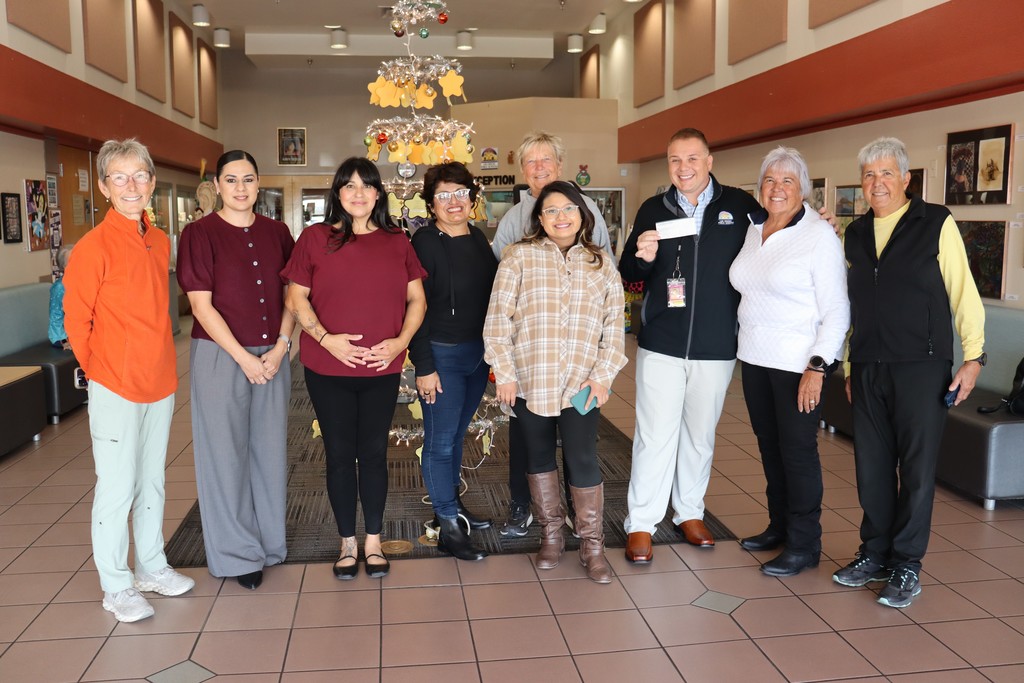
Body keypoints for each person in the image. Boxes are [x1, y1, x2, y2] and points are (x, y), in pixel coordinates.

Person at [833, 137, 985, 608]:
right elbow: (847, 304)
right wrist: (846, 362)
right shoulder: (854, 233)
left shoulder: (935, 222)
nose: (876, 183)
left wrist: (974, 357)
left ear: (905, 179)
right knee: (871, 467)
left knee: (916, 471)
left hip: (922, 367)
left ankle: (906, 565)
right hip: (868, 366)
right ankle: (874, 553)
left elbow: (963, 292)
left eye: (885, 174)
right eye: (869, 175)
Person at [63, 138, 195, 623]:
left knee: (153, 482)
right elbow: (77, 321)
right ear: (103, 186)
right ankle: (116, 586)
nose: (132, 185)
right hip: (115, 385)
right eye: (120, 177)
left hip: (159, 379)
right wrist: (101, 371)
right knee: (117, 487)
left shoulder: (158, 240)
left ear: (152, 182)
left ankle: (151, 567)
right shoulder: (92, 248)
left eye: (140, 175)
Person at [618, 128, 761, 563]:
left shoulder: (739, 206)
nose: (684, 168)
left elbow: (780, 233)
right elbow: (627, 270)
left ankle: (689, 512)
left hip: (717, 344)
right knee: (654, 435)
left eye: (692, 159)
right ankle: (642, 522)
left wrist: (819, 221)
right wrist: (641, 255)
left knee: (699, 435)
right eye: (675, 160)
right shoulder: (652, 208)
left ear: (710, 160)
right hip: (662, 341)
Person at [283, 157, 426, 580]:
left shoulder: (398, 241)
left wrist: (400, 343)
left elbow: (417, 300)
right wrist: (327, 340)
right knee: (340, 456)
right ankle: (347, 543)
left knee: (376, 455)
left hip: (381, 369)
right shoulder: (314, 238)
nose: (358, 193)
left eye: (366, 186)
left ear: (378, 194)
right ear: (338, 194)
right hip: (328, 369)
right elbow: (296, 298)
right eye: (349, 186)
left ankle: (374, 542)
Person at [484, 180, 627, 583]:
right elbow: (497, 323)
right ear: (539, 219)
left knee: (583, 459)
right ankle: (551, 535)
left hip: (582, 385)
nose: (560, 217)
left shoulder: (599, 264)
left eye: (568, 209)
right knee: (539, 458)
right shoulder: (518, 258)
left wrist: (603, 377)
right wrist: (505, 375)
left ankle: (591, 544)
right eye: (551, 211)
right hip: (531, 380)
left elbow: (614, 327)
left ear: (582, 214)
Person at [176, 150, 295, 590]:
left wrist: (282, 347)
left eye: (248, 179)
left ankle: (268, 543)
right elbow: (200, 306)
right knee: (224, 454)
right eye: (231, 180)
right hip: (221, 356)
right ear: (218, 186)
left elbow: (293, 298)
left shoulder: (278, 232)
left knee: (269, 449)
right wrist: (243, 358)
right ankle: (236, 554)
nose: (240, 188)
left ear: (258, 183)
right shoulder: (199, 233)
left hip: (273, 355)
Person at [728, 146, 849, 576]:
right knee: (769, 447)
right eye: (770, 180)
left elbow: (837, 309)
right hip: (755, 360)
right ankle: (779, 526)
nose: (777, 189)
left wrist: (818, 367)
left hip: (799, 364)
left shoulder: (819, 236)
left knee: (797, 453)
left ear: (804, 190)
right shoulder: (753, 228)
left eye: (787, 182)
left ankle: (805, 544)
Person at [408, 162, 498, 562]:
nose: (453, 201)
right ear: (431, 203)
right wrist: (423, 365)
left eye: (460, 192)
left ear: (471, 198)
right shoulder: (423, 243)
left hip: (475, 357)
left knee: (456, 435)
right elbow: (413, 308)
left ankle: (452, 507)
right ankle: (446, 524)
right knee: (440, 440)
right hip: (441, 356)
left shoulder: (479, 239)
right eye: (443, 195)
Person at [48, 244, 73, 349]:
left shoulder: (84, 283)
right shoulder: (59, 287)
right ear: (64, 266)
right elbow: (55, 317)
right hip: (63, 337)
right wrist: (63, 341)